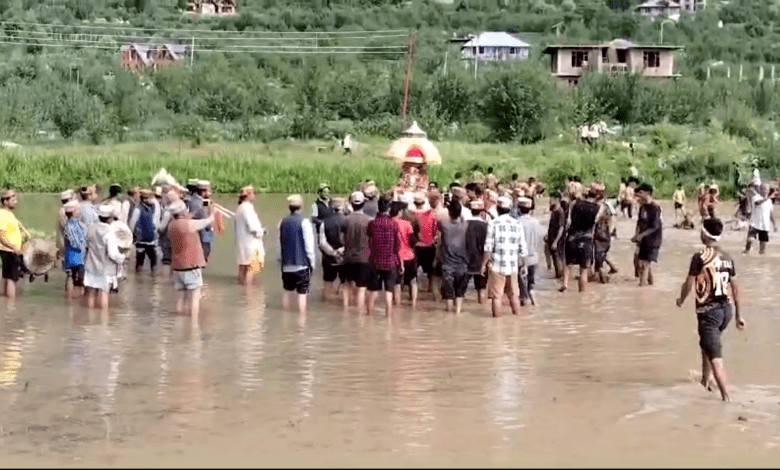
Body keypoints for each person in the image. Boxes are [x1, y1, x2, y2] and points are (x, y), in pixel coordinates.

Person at [676, 218, 744, 402]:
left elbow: (689, 283)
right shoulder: (727, 257)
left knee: (715, 356)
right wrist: (739, 315)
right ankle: (705, 381)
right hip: (726, 311)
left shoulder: (700, 257)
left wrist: (681, 299)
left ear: (704, 234)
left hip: (709, 312)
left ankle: (726, 398)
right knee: (706, 344)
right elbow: (735, 287)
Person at [481, 196, 527, 317]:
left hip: (497, 266)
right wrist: (524, 265)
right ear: (510, 209)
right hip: (513, 266)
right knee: (514, 295)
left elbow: (488, 247)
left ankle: (497, 323)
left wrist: (483, 265)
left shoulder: (493, 223)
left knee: (496, 297)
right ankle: (517, 320)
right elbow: (523, 249)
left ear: (498, 208)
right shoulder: (517, 224)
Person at [166, 200, 214, 316]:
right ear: (183, 212)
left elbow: (188, 218)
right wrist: (212, 210)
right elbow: (208, 221)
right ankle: (194, 323)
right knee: (195, 297)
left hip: (177, 266)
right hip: (191, 266)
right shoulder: (189, 225)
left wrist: (199, 209)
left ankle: (179, 322)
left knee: (180, 297)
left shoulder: (171, 225)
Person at [278, 194, 316, 315]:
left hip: (286, 264)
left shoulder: (282, 222)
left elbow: (279, 243)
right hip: (301, 265)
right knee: (302, 293)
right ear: (301, 207)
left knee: (287, 291)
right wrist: (312, 263)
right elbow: (309, 247)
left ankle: (285, 317)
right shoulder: (305, 222)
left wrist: (280, 260)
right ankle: (301, 320)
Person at [561, 185, 602, 293]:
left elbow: (568, 222)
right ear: (596, 196)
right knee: (583, 272)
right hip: (586, 239)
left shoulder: (574, 204)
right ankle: (582, 293)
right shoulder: (598, 208)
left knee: (567, 264)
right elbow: (595, 223)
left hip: (572, 238)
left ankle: (565, 284)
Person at [84, 205, 126, 309]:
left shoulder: (90, 228)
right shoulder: (110, 232)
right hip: (105, 269)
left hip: (91, 266)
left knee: (91, 293)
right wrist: (122, 258)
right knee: (104, 293)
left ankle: (90, 316)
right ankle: (103, 318)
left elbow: (86, 245)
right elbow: (113, 254)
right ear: (110, 218)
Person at [367, 195, 401, 316]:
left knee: (373, 291)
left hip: (375, 260)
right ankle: (389, 316)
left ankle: (369, 316)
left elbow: (369, 241)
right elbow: (397, 245)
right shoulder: (393, 224)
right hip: (390, 261)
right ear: (388, 208)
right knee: (389, 291)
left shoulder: (372, 223)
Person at [342, 191, 373, 310]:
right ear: (363, 203)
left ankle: (345, 310)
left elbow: (341, 239)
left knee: (346, 285)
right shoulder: (369, 220)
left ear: (351, 204)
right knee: (361, 288)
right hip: (364, 258)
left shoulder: (345, 219)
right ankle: (359, 313)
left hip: (348, 257)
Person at [438, 200, 470, 314]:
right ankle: (458, 312)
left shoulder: (444, 225)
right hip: (463, 265)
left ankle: (449, 315)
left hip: (448, 265)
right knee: (460, 293)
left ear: (449, 213)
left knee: (449, 295)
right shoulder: (465, 225)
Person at [632, 183, 663, 287]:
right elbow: (639, 222)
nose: (638, 196)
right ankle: (650, 284)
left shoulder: (655, 208)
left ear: (648, 193)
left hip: (653, 240)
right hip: (643, 239)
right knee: (642, 262)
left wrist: (641, 235)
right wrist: (637, 234)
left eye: (641, 193)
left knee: (644, 264)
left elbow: (655, 226)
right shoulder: (642, 207)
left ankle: (642, 286)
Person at [235, 186, 265, 286]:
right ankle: (248, 290)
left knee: (243, 267)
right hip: (251, 244)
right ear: (248, 195)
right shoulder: (247, 208)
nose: (255, 195)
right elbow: (253, 227)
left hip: (242, 243)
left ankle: (241, 289)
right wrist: (261, 232)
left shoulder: (240, 208)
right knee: (251, 269)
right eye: (253, 193)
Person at [516, 197, 544, 306]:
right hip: (534, 258)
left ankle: (525, 308)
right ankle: (534, 302)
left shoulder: (517, 222)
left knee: (522, 288)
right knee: (531, 284)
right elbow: (541, 238)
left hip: (521, 260)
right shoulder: (536, 222)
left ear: (519, 209)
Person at [320, 197, 348, 302]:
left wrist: (333, 252)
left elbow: (322, 242)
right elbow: (351, 239)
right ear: (343, 207)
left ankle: (326, 306)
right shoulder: (348, 220)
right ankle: (345, 308)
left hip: (329, 258)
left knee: (328, 282)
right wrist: (343, 250)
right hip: (345, 257)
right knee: (345, 283)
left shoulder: (324, 222)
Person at [392, 200, 418, 309]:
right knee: (413, 281)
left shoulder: (390, 223)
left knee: (397, 283)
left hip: (395, 257)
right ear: (400, 212)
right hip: (409, 255)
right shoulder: (407, 224)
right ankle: (413, 304)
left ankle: (397, 305)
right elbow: (412, 240)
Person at [414, 192, 441, 298]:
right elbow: (436, 232)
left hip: (416, 247)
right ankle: (432, 293)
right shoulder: (431, 215)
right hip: (429, 246)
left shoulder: (411, 215)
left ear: (414, 203)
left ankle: (412, 295)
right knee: (431, 273)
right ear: (424, 202)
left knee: (413, 274)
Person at [591, 183, 618, 283]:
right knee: (601, 254)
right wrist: (612, 232)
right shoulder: (608, 205)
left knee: (599, 257)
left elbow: (595, 219)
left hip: (600, 233)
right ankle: (610, 270)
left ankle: (602, 277)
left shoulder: (601, 205)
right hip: (605, 234)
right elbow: (614, 218)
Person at [129, 189, 160, 274]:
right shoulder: (153, 208)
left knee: (139, 261)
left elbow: (132, 223)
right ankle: (154, 277)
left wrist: (132, 235)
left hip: (140, 240)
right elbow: (155, 223)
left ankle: (138, 278)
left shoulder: (137, 209)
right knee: (153, 260)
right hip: (151, 240)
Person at [0, 190, 23, 299]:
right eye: (13, 199)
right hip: (9, 251)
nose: (16, 201)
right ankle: (11, 304)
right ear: (5, 201)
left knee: (8, 277)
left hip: (9, 250)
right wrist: (14, 247)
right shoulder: (3, 214)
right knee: (11, 279)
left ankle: (6, 302)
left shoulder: (8, 214)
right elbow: (1, 235)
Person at [61, 200, 86, 299]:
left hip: (78, 257)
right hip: (74, 257)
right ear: (73, 212)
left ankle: (74, 299)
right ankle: (74, 300)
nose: (80, 212)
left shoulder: (77, 223)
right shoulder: (70, 226)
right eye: (78, 210)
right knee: (77, 279)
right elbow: (75, 242)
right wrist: (85, 246)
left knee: (77, 278)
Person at [465, 200, 489, 304]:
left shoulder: (464, 224)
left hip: (465, 260)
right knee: (481, 288)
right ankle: (481, 306)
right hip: (480, 260)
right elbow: (487, 246)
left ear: (470, 210)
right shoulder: (486, 226)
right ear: (482, 212)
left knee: (460, 291)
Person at [745, 183, 776, 255]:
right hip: (754, 223)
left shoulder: (769, 201)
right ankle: (746, 251)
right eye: (764, 189)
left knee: (763, 247)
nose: (766, 191)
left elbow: (770, 214)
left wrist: (774, 224)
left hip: (765, 225)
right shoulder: (756, 197)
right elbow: (757, 203)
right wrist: (768, 198)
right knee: (750, 239)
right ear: (760, 190)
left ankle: (761, 256)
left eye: (767, 190)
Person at [545, 192, 566, 279]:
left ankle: (561, 278)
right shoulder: (554, 211)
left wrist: (556, 241)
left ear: (557, 200)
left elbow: (561, 227)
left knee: (558, 260)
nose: (550, 201)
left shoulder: (560, 212)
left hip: (557, 240)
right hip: (552, 238)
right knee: (555, 260)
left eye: (551, 199)